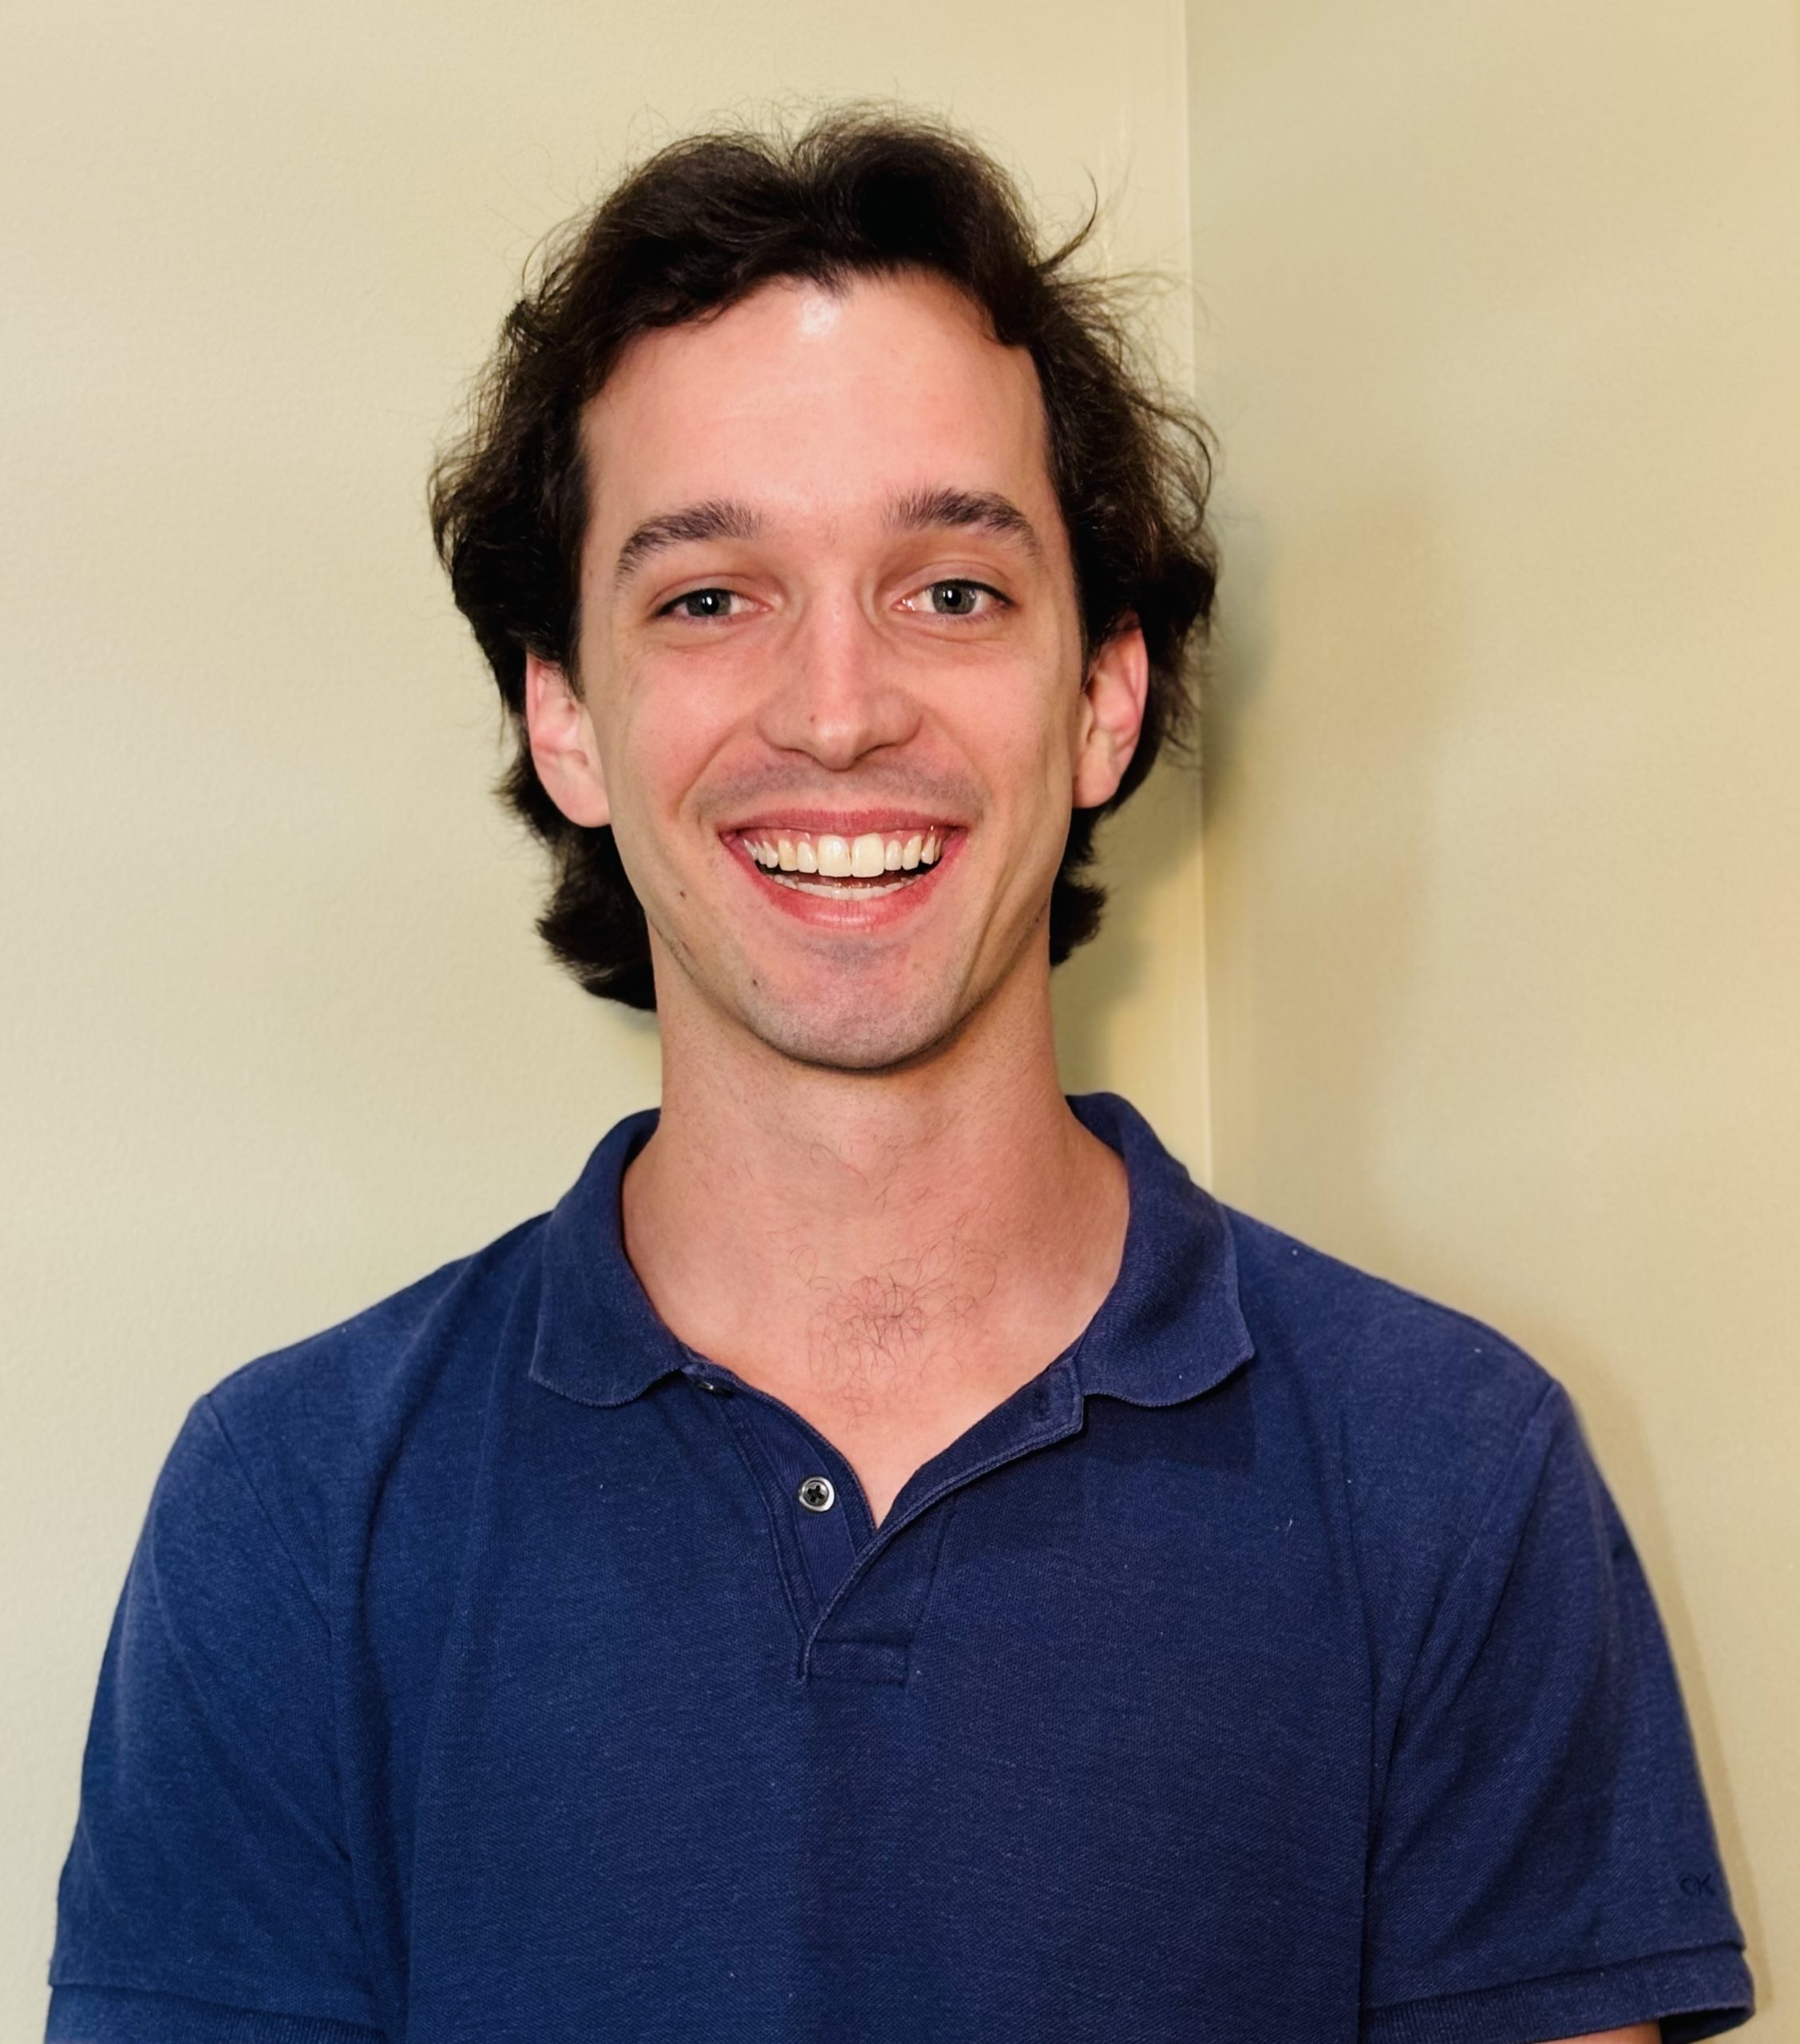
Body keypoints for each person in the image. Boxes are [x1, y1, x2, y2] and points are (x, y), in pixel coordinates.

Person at [49, 113, 1753, 2044]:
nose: (839, 705)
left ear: (1104, 696)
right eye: (708, 594)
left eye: (951, 587)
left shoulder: (1453, 1474)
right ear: (565, 715)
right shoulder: (293, 1511)